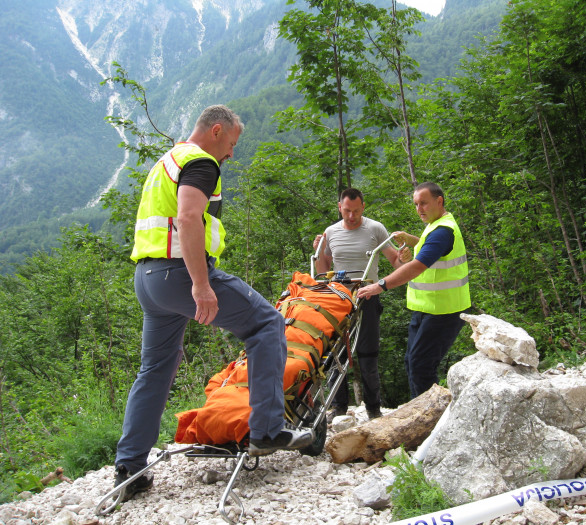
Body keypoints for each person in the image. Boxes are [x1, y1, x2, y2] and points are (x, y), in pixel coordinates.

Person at [114, 105, 312, 500]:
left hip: (147, 278)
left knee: (154, 369)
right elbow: (189, 219)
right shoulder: (201, 162)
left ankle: (130, 466)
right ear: (217, 131)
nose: (232, 154)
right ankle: (268, 431)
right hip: (179, 274)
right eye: (232, 144)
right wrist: (202, 285)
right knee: (267, 323)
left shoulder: (167, 160)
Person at [357, 182, 470, 399]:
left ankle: (430, 421)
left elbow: (418, 266)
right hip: (429, 307)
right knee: (412, 361)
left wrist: (380, 285)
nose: (420, 209)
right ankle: (420, 413)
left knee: (421, 365)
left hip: (444, 310)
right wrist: (412, 241)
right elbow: (432, 250)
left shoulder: (443, 231)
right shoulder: (437, 225)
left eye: (424, 203)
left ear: (439, 201)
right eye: (416, 204)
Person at [313, 188, 401, 419]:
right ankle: (338, 407)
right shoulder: (330, 232)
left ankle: (374, 409)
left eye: (356, 211)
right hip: (337, 299)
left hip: (368, 296)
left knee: (368, 353)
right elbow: (323, 265)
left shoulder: (375, 228)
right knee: (334, 353)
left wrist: (404, 260)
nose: (351, 216)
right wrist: (319, 253)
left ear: (363, 207)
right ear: (339, 208)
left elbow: (394, 259)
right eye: (347, 211)